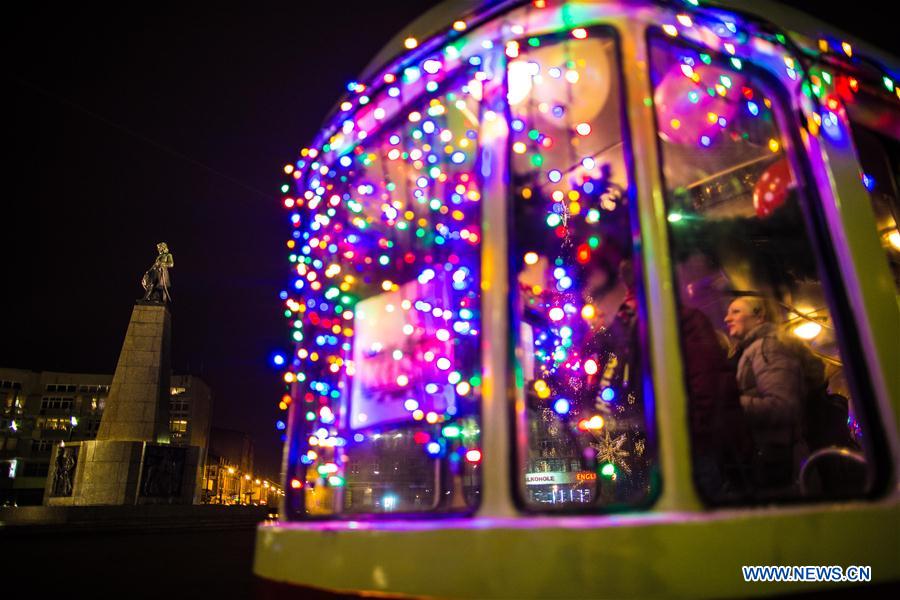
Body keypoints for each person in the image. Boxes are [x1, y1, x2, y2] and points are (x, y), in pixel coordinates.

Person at [724, 296, 814, 496]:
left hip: (778, 463)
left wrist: (730, 404)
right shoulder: (754, 349)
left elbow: (783, 406)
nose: (726, 318)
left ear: (759, 317)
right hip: (771, 459)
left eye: (735, 311)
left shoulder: (768, 347)